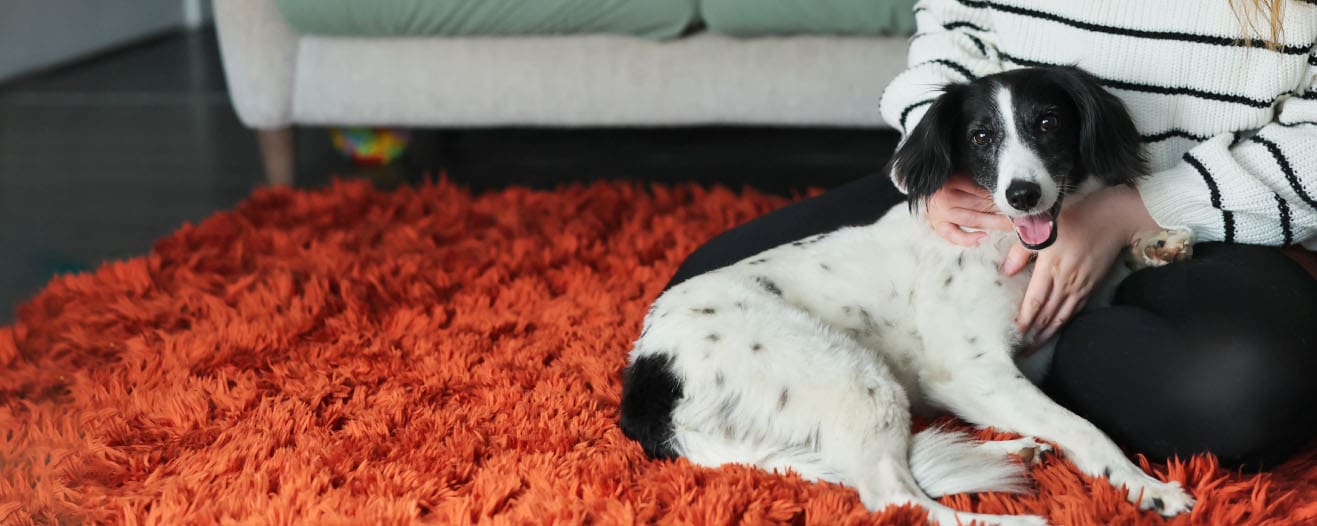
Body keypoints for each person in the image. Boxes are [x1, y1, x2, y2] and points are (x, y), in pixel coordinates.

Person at [664, 0, 1317, 470]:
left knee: (1240, 398)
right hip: (989, 184)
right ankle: (979, 365)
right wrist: (942, 154)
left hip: (1202, 217)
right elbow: (952, 28)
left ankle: (983, 367)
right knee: (706, 294)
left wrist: (1132, 210)